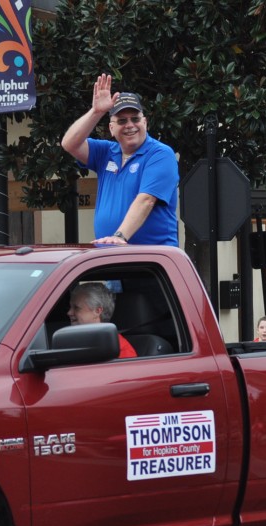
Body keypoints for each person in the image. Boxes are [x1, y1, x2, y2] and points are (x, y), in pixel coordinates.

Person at [61, 74, 179, 246]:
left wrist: (120, 236)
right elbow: (69, 143)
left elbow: (146, 200)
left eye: (135, 119)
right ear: (111, 128)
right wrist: (96, 112)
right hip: (114, 256)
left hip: (150, 260)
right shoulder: (106, 152)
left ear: (145, 122)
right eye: (122, 121)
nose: (130, 125)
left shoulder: (160, 154)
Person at [67, 282, 137, 358]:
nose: (69, 312)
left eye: (76, 308)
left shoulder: (121, 350)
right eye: (70, 307)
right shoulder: (73, 340)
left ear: (97, 311)